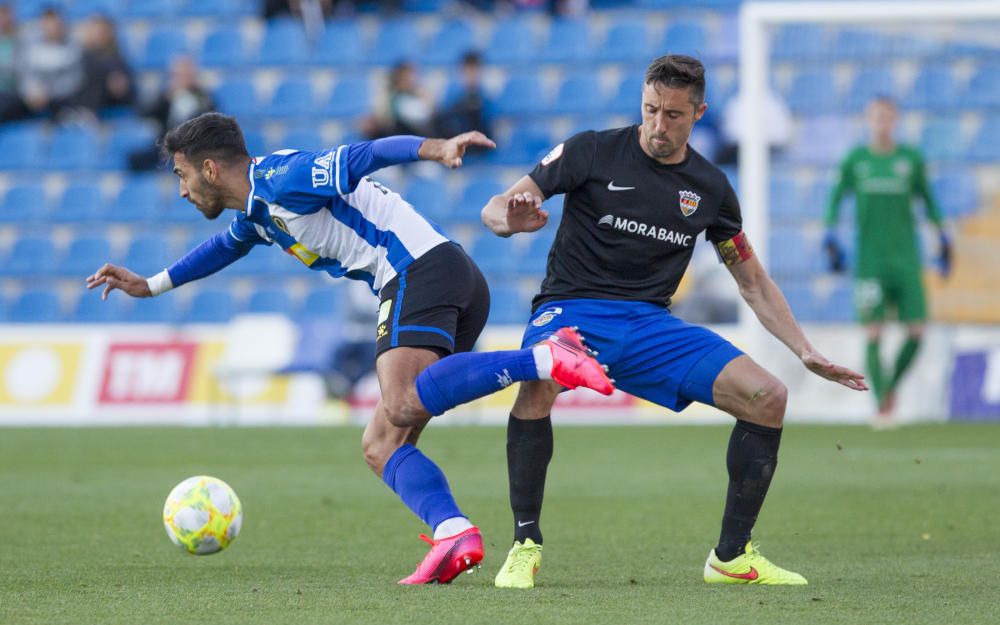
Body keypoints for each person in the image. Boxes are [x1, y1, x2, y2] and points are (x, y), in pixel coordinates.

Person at [86, 112, 612, 584]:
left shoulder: (281, 178)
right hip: (448, 277)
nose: (180, 190)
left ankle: (547, 356)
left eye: (180, 175)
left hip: (417, 271)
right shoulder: (256, 211)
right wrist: (150, 284)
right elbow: (222, 248)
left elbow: (364, 156)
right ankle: (454, 532)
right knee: (382, 444)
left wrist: (437, 147)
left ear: (208, 168)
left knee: (402, 399)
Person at [477, 55, 867, 589]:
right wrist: (509, 221)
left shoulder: (709, 187)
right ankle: (525, 543)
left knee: (768, 397)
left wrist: (803, 349)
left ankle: (731, 557)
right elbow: (496, 207)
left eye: (674, 115)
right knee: (540, 378)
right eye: (650, 110)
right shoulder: (591, 149)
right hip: (572, 308)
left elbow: (751, 280)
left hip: (649, 325)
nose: (659, 126)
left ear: (699, 113)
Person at [824, 95, 949, 426]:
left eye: (887, 117)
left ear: (895, 120)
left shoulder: (911, 159)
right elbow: (835, 199)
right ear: (869, 120)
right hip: (871, 262)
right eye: (876, 117)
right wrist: (830, 233)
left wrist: (943, 235)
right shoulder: (856, 159)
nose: (882, 123)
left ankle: (890, 387)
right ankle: (883, 406)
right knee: (874, 332)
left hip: (907, 259)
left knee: (917, 330)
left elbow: (930, 201)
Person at [128, 55, 215, 171]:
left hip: (192, 147)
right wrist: (165, 98)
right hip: (166, 146)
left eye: (185, 74)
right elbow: (145, 113)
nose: (181, 78)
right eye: (177, 75)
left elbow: (211, 119)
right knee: (136, 158)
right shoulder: (167, 96)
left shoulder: (203, 97)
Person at [17, 6, 83, 120]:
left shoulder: (74, 49)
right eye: (47, 23)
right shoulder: (31, 48)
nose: (51, 27)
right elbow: (25, 75)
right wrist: (31, 90)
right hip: (33, 100)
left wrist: (49, 93)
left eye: (55, 23)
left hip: (62, 101)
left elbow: (75, 81)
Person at [76, 13, 135, 116]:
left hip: (111, 108)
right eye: (92, 31)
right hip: (85, 109)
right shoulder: (83, 58)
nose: (95, 36)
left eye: (100, 33)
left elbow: (125, 90)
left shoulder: (117, 60)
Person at [433, 51, 492, 141]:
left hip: (480, 147)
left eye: (474, 71)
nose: (471, 76)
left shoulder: (487, 99)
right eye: (468, 71)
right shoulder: (452, 98)